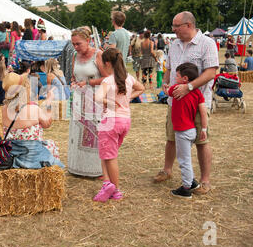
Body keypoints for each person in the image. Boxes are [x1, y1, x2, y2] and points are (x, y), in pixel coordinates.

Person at [153, 11, 219, 195]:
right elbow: (169, 67)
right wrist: (165, 82)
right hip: (175, 103)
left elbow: (210, 72)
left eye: (176, 26)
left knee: (201, 141)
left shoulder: (207, 44)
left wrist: (188, 87)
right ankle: (167, 170)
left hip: (197, 104)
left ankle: (205, 180)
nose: (173, 30)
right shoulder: (174, 44)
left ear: (188, 25)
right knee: (171, 137)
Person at [92, 48, 145, 202]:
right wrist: (127, 98)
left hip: (110, 121)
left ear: (107, 63)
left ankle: (115, 189)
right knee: (107, 154)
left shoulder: (108, 81)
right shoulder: (128, 78)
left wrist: (108, 102)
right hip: (125, 121)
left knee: (110, 157)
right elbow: (141, 88)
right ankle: (107, 184)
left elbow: (97, 97)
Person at [68, 26, 108, 177]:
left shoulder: (98, 55)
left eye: (78, 44)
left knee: (93, 134)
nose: (76, 47)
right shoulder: (74, 56)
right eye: (73, 44)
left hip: (95, 99)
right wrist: (73, 82)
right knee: (78, 133)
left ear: (88, 41)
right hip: (79, 99)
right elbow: (73, 76)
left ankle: (94, 169)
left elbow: (108, 78)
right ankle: (77, 167)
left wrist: (89, 83)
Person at [1, 72, 64, 168]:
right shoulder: (33, 109)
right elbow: (47, 123)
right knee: (51, 145)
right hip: (32, 156)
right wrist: (49, 101)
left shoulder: (4, 109)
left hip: (12, 154)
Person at [167, 63, 208, 198]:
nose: (175, 77)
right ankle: (192, 182)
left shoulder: (176, 88)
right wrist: (203, 128)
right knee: (185, 157)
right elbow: (203, 112)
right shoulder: (198, 93)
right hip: (191, 130)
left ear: (185, 79)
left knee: (184, 160)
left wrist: (165, 86)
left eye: (177, 75)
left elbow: (167, 91)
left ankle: (186, 188)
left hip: (182, 132)